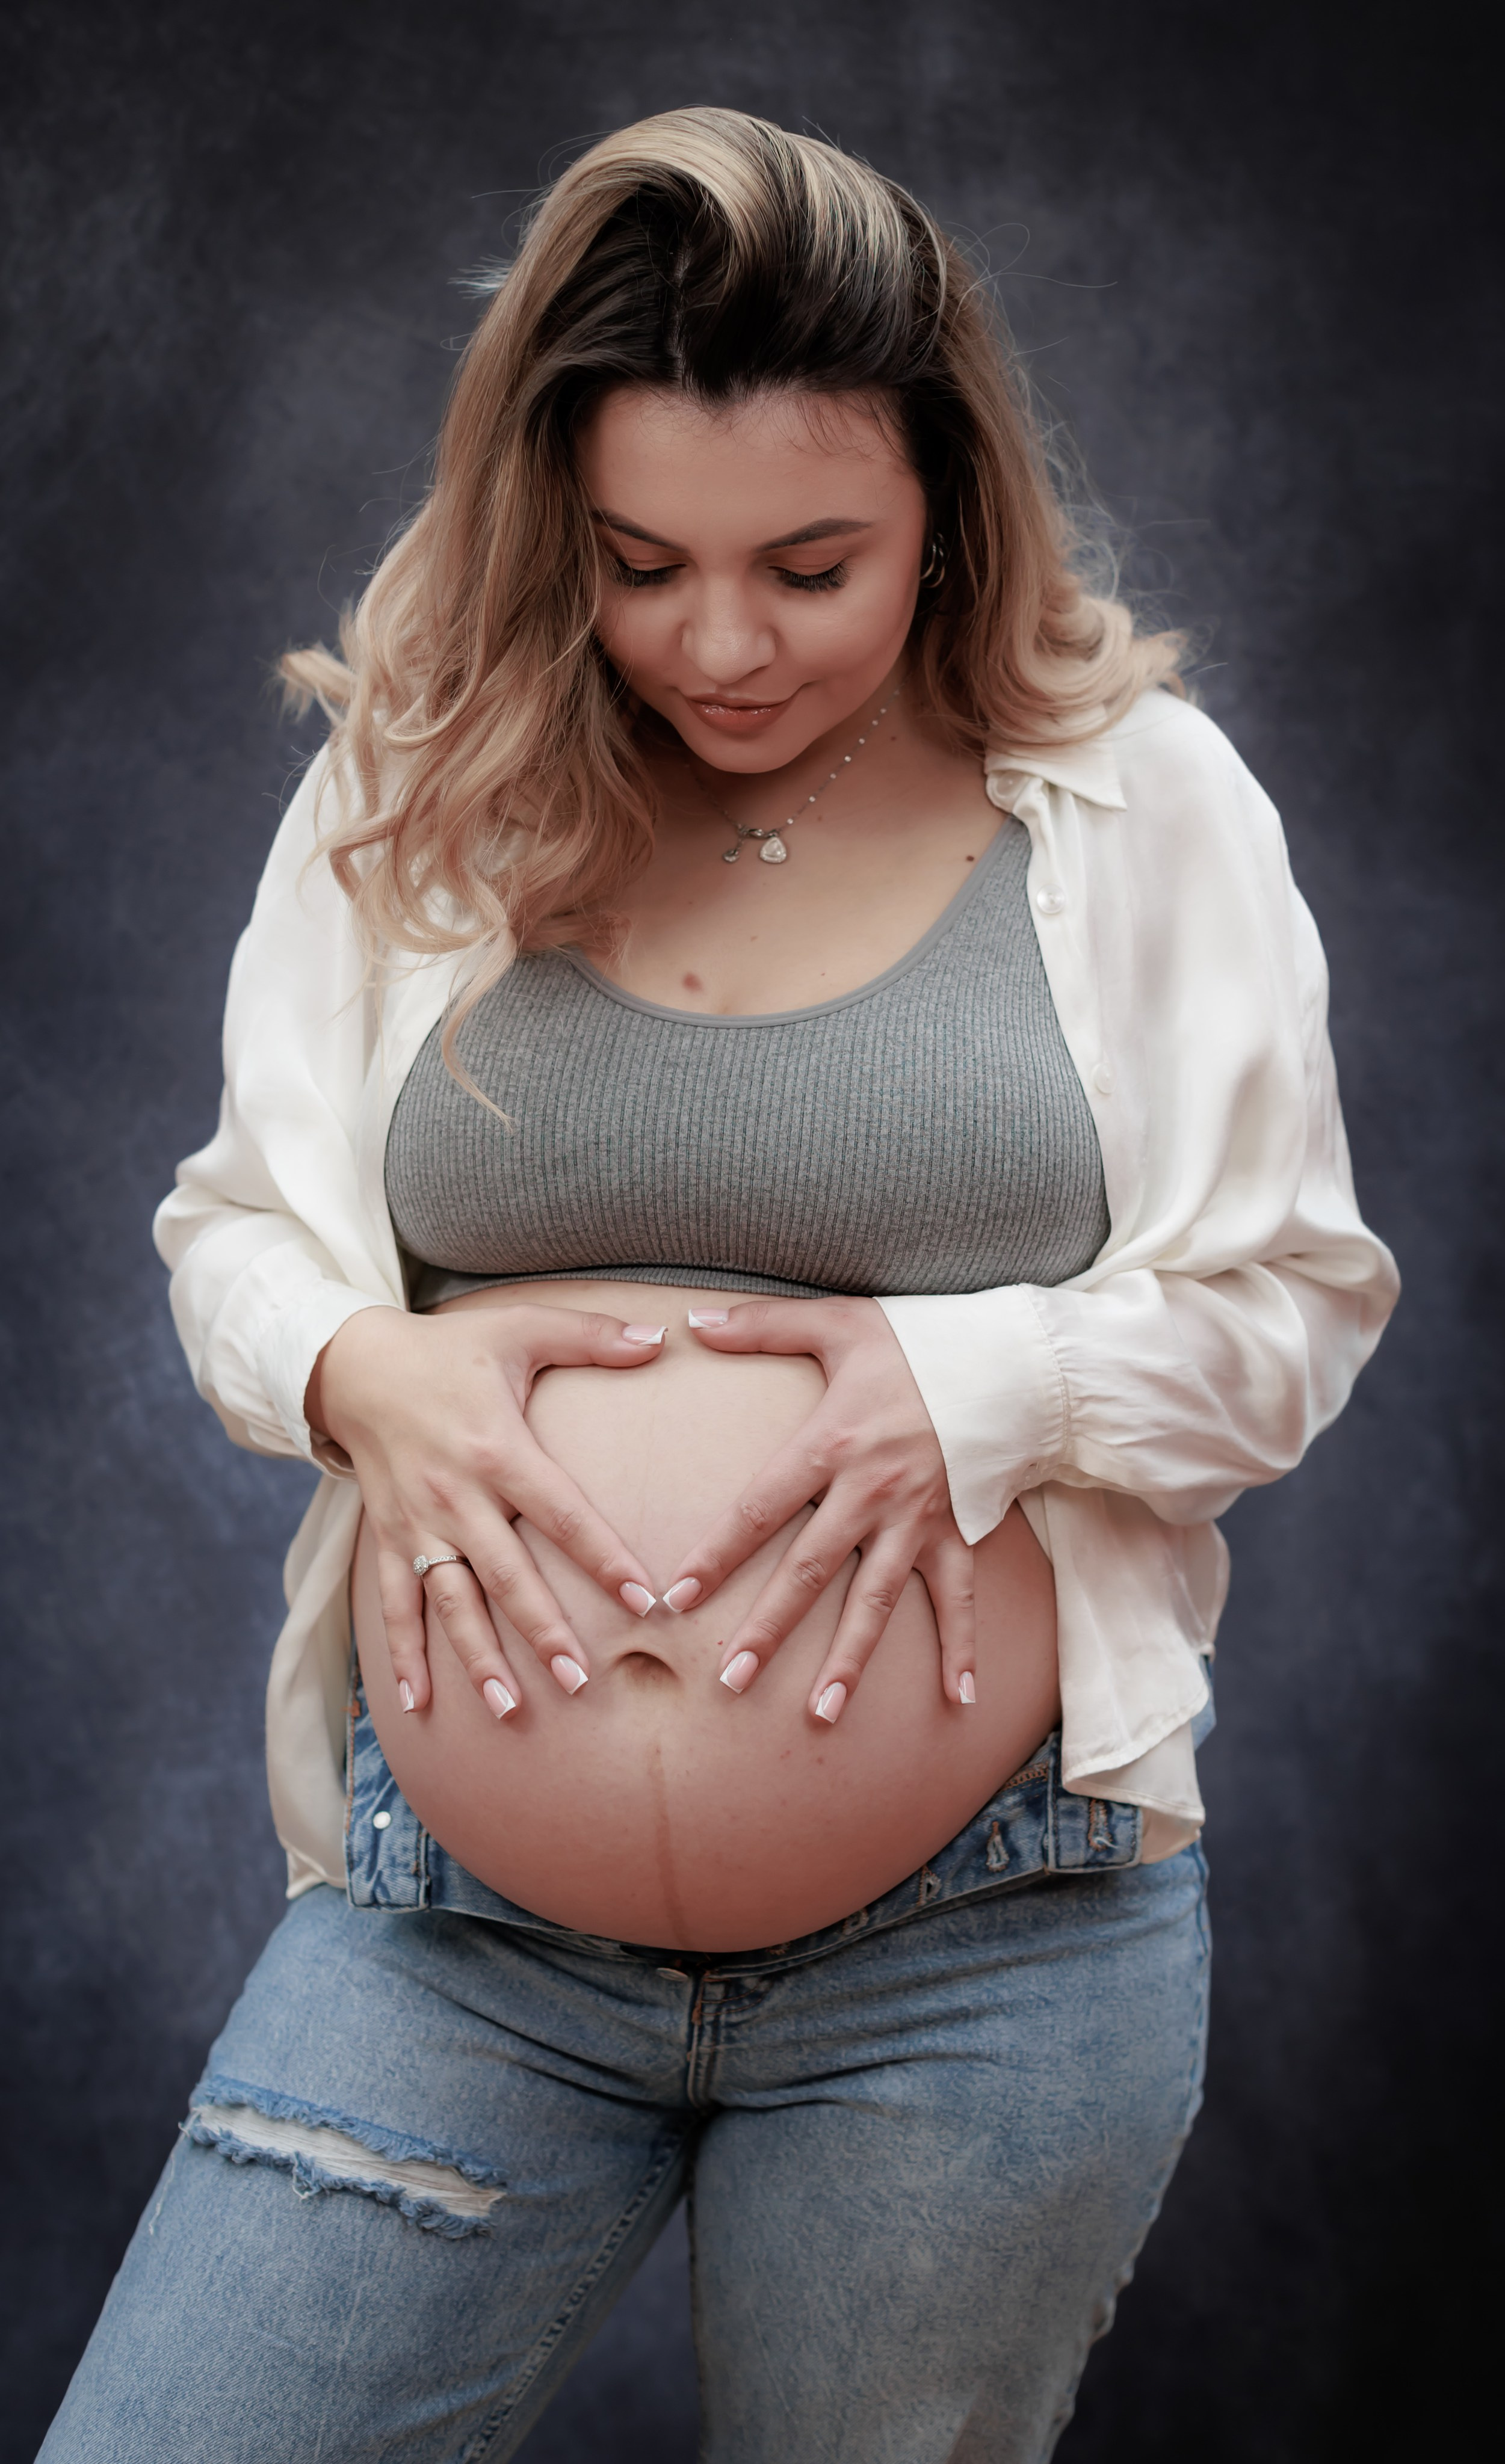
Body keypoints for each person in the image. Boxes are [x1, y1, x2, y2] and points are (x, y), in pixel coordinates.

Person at [41, 107, 1398, 2464]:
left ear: (947, 508)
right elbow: (232, 1230)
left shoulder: (1139, 802)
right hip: (459, 1932)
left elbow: (1292, 1308)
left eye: (810, 564)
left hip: (985, 1950)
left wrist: (975, 1385)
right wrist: (360, 1370)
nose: (722, 643)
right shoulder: (426, 778)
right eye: (641, 564)